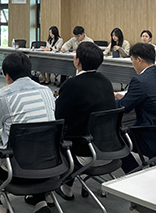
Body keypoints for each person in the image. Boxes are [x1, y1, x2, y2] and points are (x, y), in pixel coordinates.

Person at [0, 52, 56, 213]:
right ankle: (40, 202)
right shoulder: (47, 92)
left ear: (7, 76)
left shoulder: (4, 95)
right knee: (37, 147)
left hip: (18, 171)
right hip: (50, 165)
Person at [54, 42, 115, 200]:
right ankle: (71, 185)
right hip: (109, 148)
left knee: (56, 137)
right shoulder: (107, 82)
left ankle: (62, 189)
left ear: (77, 61)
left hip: (84, 152)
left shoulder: (71, 85)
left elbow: (59, 118)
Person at [115, 43, 156, 172]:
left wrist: (106, 100)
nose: (133, 64)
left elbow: (123, 107)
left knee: (116, 137)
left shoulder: (140, 81)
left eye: (132, 60)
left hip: (154, 137)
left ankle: (133, 173)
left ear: (139, 59)